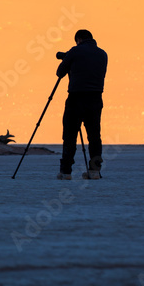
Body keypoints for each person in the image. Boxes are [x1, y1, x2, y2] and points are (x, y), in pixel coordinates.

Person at [55, 29, 107, 180]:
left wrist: (68, 59)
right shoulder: (103, 54)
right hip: (96, 99)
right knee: (94, 137)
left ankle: (66, 172)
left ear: (78, 39)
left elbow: (60, 73)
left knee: (70, 135)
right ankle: (95, 171)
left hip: (76, 98)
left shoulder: (75, 51)